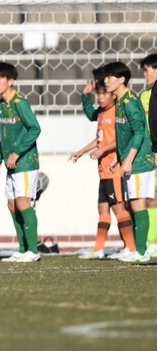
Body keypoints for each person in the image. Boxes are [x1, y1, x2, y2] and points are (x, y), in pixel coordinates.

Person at [71, 79, 136, 259]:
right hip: (102, 169)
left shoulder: (118, 112)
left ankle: (131, 248)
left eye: (104, 93)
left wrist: (103, 150)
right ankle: (98, 249)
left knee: (119, 209)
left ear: (112, 94)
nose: (100, 97)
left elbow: (122, 139)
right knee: (102, 209)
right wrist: (83, 151)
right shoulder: (101, 112)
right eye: (98, 94)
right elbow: (100, 139)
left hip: (114, 168)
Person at [0, 62, 42, 263]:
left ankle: (33, 250)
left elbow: (35, 129)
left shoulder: (20, 103)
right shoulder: (1, 104)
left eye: (0, 78)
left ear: (11, 81)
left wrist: (17, 152)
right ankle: (22, 249)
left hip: (26, 163)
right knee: (12, 205)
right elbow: (5, 135)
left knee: (22, 202)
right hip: (11, 164)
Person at [103, 61, 155, 262]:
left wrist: (129, 159)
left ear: (122, 79)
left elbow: (140, 131)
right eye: (106, 77)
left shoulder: (130, 101)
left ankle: (141, 252)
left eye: (110, 77)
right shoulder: (120, 100)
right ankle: (136, 249)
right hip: (131, 160)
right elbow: (125, 135)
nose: (106, 81)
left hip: (140, 160)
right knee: (131, 204)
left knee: (137, 204)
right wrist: (119, 157)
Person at [138, 54, 157, 257]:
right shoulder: (145, 96)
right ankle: (152, 242)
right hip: (151, 155)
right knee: (151, 199)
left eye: (147, 69)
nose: (144, 74)